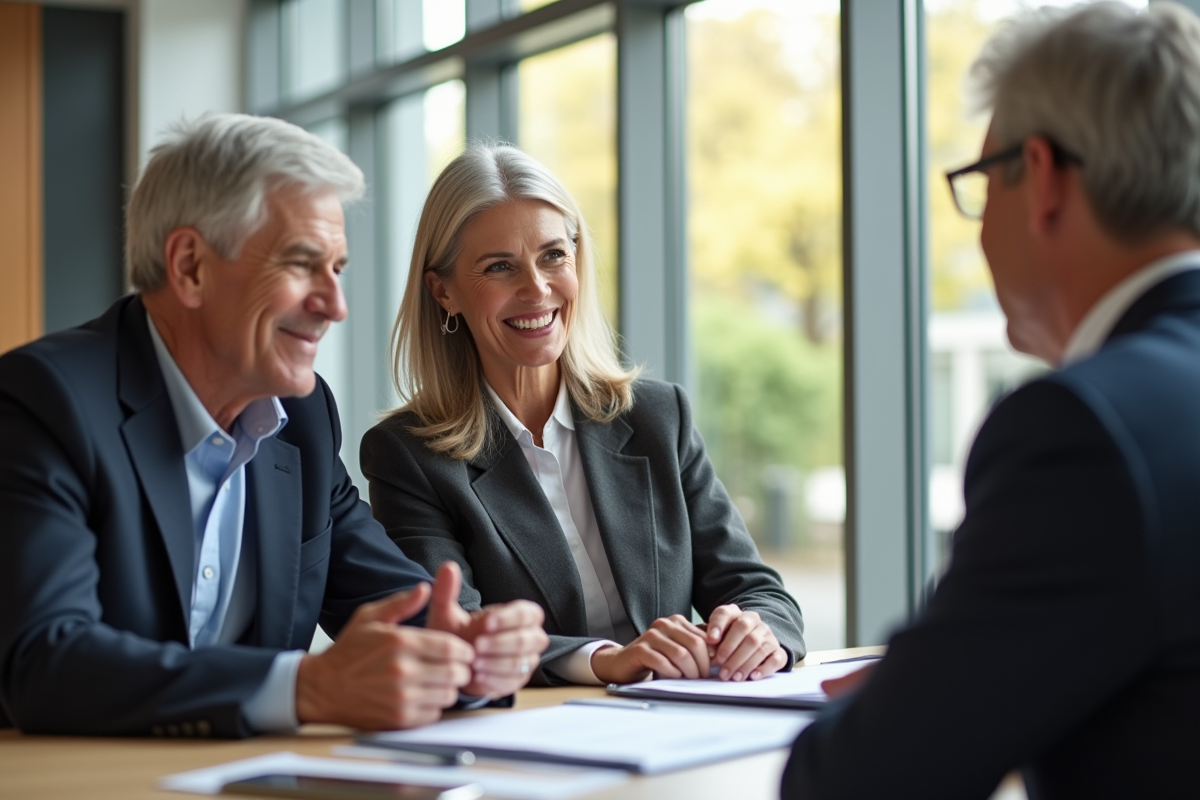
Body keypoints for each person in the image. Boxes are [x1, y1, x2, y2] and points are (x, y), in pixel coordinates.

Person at [0, 113, 548, 739]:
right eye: (301, 264)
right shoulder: (44, 401)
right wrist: (306, 687)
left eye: (336, 269)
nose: (334, 306)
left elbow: (403, 608)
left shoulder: (303, 420)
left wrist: (469, 652)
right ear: (190, 267)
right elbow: (42, 661)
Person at [782, 4, 1200, 798]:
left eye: (979, 184)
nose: (979, 231)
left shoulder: (1082, 432)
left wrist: (911, 692)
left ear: (1041, 177)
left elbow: (853, 784)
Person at [360, 145, 805, 687]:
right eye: (500, 266)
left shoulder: (658, 417)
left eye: (553, 255)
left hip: (679, 718)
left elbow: (758, 592)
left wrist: (757, 631)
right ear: (443, 291)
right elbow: (452, 633)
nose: (537, 288)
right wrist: (602, 660)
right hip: (533, 729)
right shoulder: (408, 456)